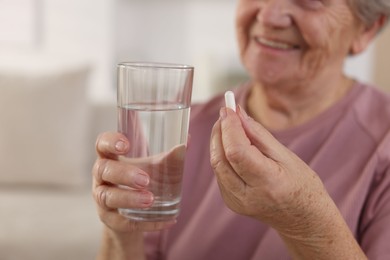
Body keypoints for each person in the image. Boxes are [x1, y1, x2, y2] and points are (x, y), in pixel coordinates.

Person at [92, 0, 390, 259]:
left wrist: (305, 222)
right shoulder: (189, 126)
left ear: (366, 29)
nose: (269, 16)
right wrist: (122, 232)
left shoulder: (383, 145)